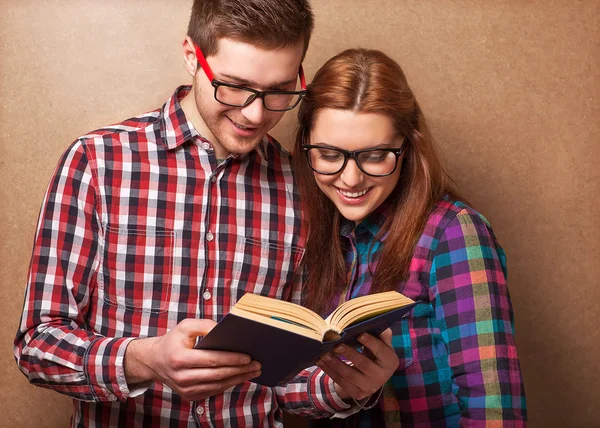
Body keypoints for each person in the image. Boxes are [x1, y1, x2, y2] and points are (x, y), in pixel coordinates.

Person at [13, 3, 399, 427]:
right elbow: (37, 345)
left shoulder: (305, 186)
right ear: (191, 56)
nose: (256, 114)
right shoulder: (97, 162)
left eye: (279, 90)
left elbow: (287, 381)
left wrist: (345, 387)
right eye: (233, 87)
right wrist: (145, 360)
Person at [293, 48, 527, 426]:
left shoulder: (452, 233)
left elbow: (495, 409)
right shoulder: (320, 235)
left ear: (407, 149)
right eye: (329, 154)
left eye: (375, 155)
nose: (350, 179)